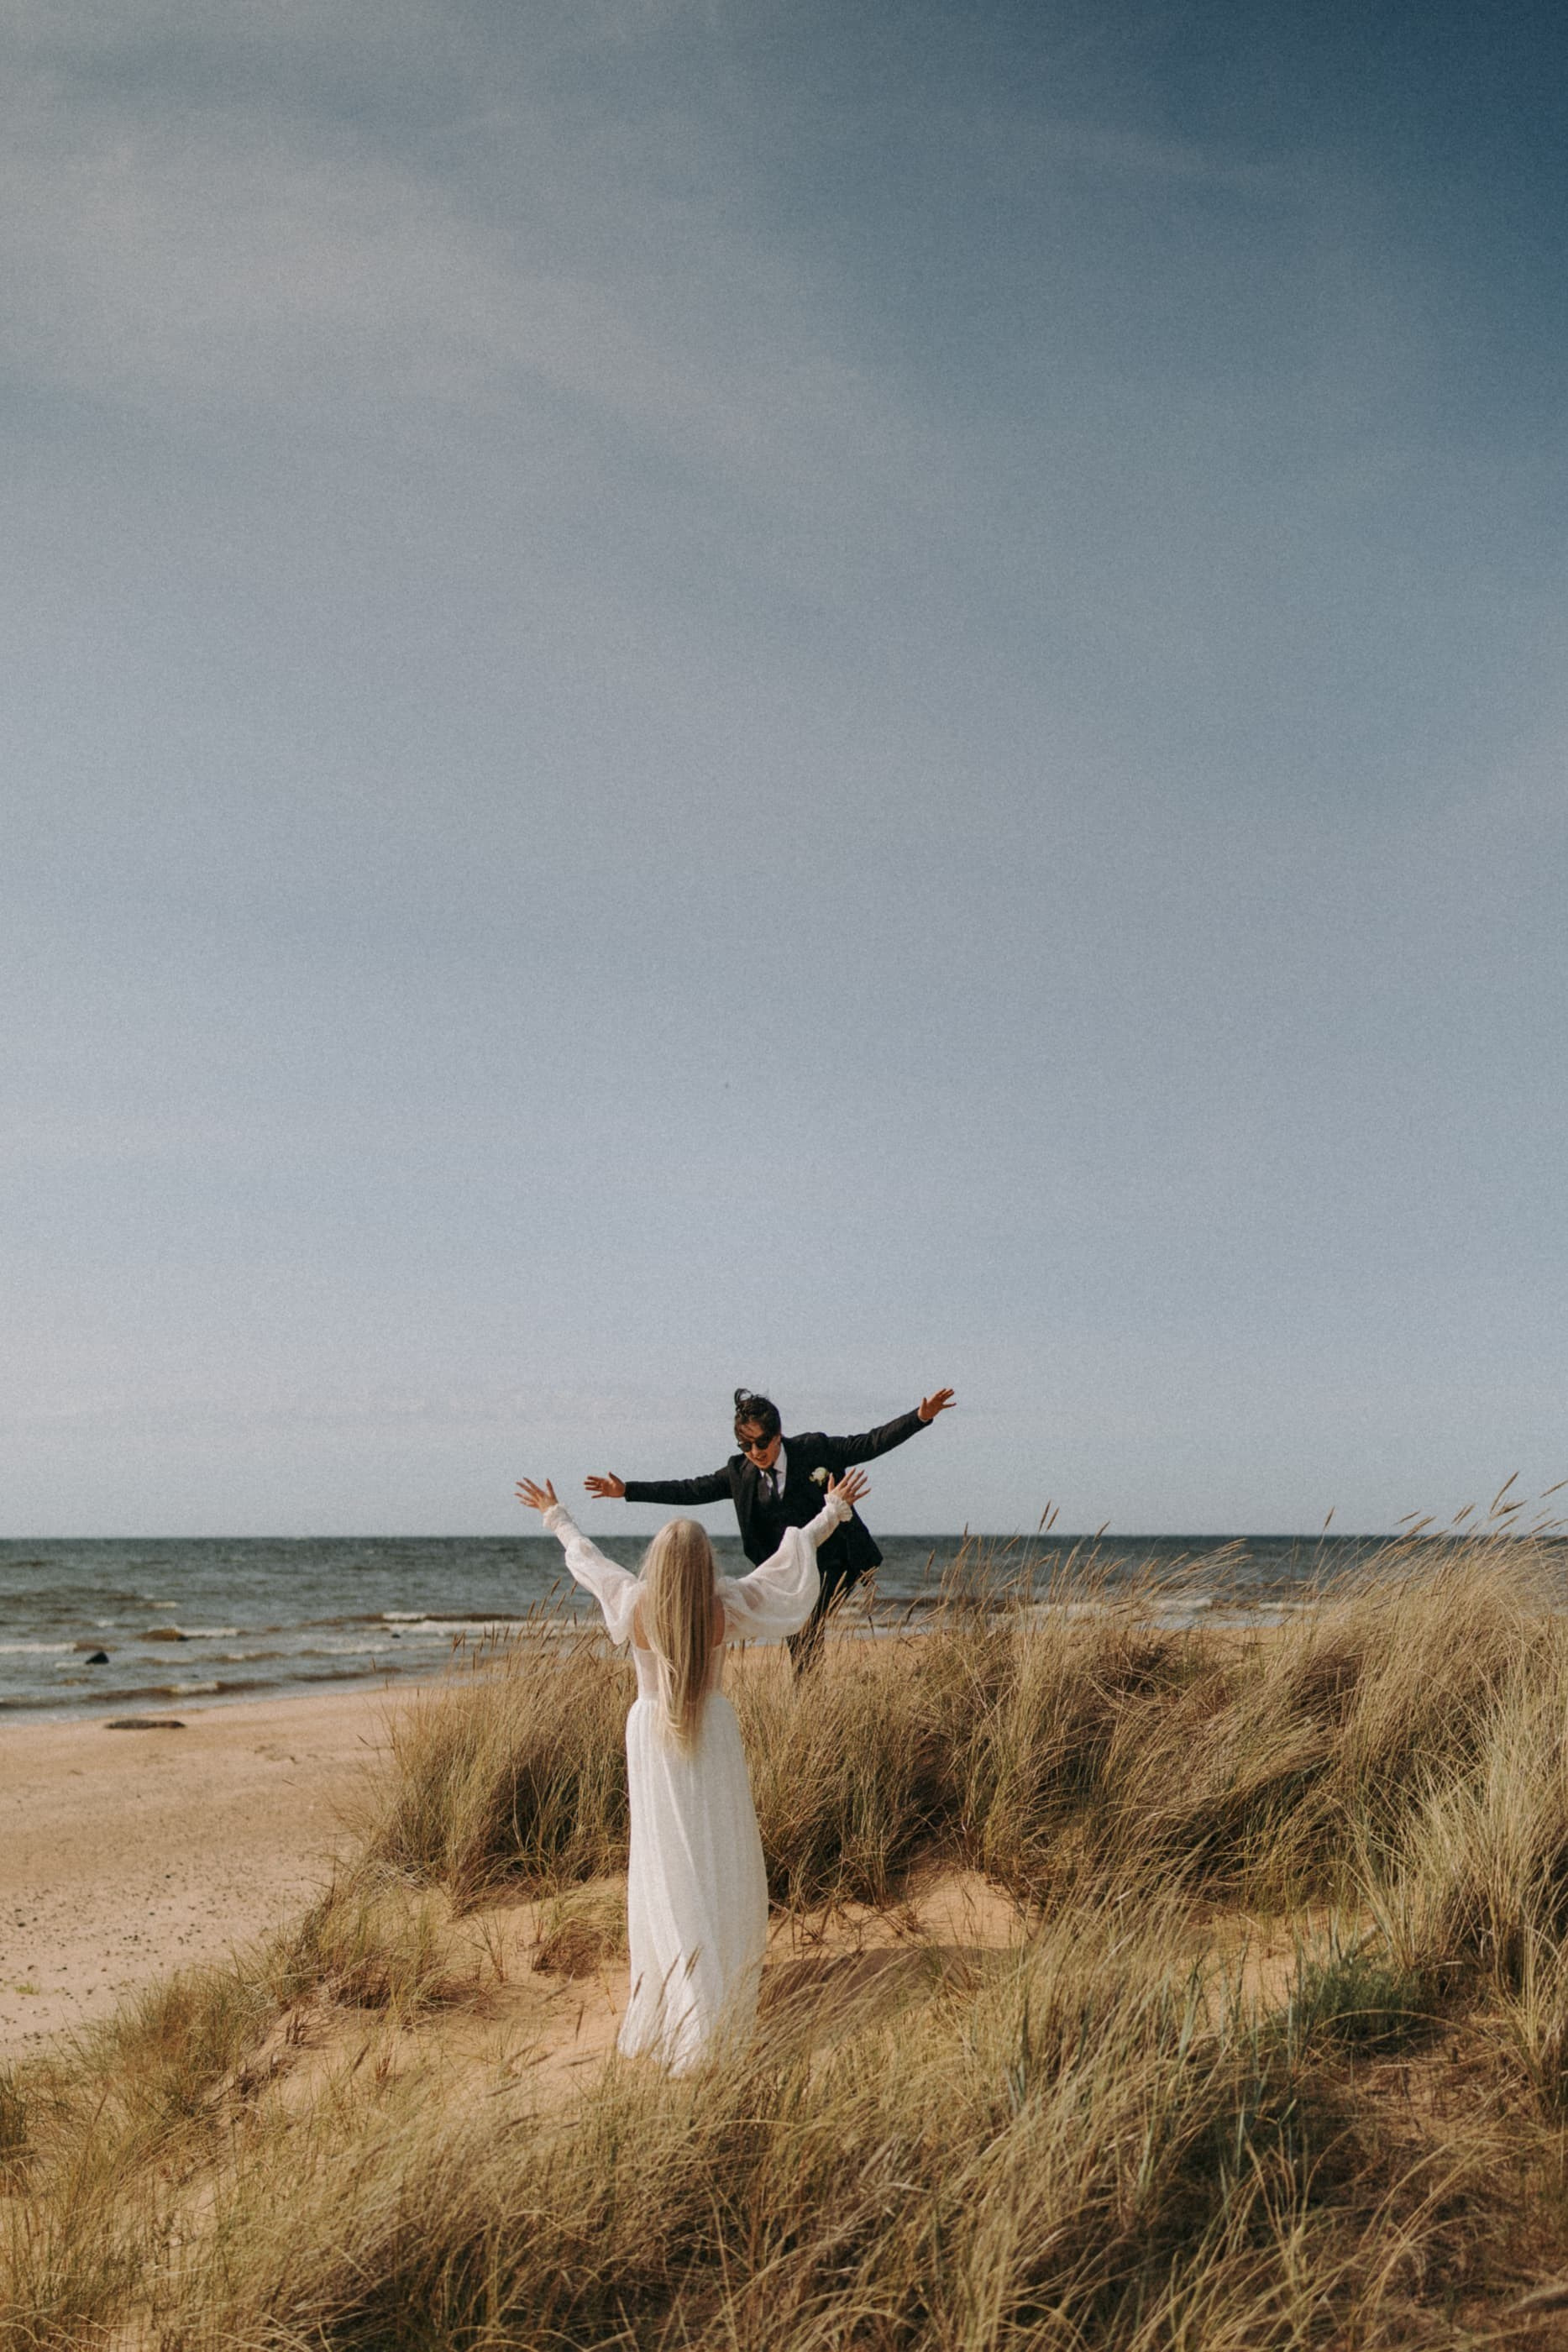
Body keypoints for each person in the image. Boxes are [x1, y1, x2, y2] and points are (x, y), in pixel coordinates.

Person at [516, 1465, 869, 2072]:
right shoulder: (724, 1606)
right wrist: (832, 1511)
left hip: (653, 1739)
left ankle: (675, 1988)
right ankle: (716, 1987)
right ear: (704, 1564)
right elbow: (787, 1565)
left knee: (663, 1859)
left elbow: (587, 1560)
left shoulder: (632, 1604)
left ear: (656, 1561)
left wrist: (557, 1515)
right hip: (711, 1736)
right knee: (717, 1854)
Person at [584, 1385, 956, 1669]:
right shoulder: (739, 1472)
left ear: (778, 1434)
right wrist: (627, 1490)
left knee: (805, 1628)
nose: (756, 1451)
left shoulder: (815, 1450)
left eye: (762, 1442)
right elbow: (690, 1489)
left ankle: (807, 1694)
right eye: (746, 1445)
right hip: (782, 1568)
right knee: (798, 1631)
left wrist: (919, 1417)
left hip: (834, 1559)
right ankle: (809, 1694)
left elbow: (870, 1442)